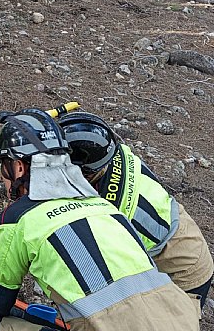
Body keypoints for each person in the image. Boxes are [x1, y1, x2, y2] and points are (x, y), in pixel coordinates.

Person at [0, 109, 206, 331]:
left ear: (20, 167)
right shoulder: (106, 207)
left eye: (4, 166)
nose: (2, 177)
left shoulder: (19, 218)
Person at [59, 111, 214, 309]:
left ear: (84, 171)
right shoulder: (110, 152)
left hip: (183, 270)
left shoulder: (108, 207)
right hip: (179, 228)